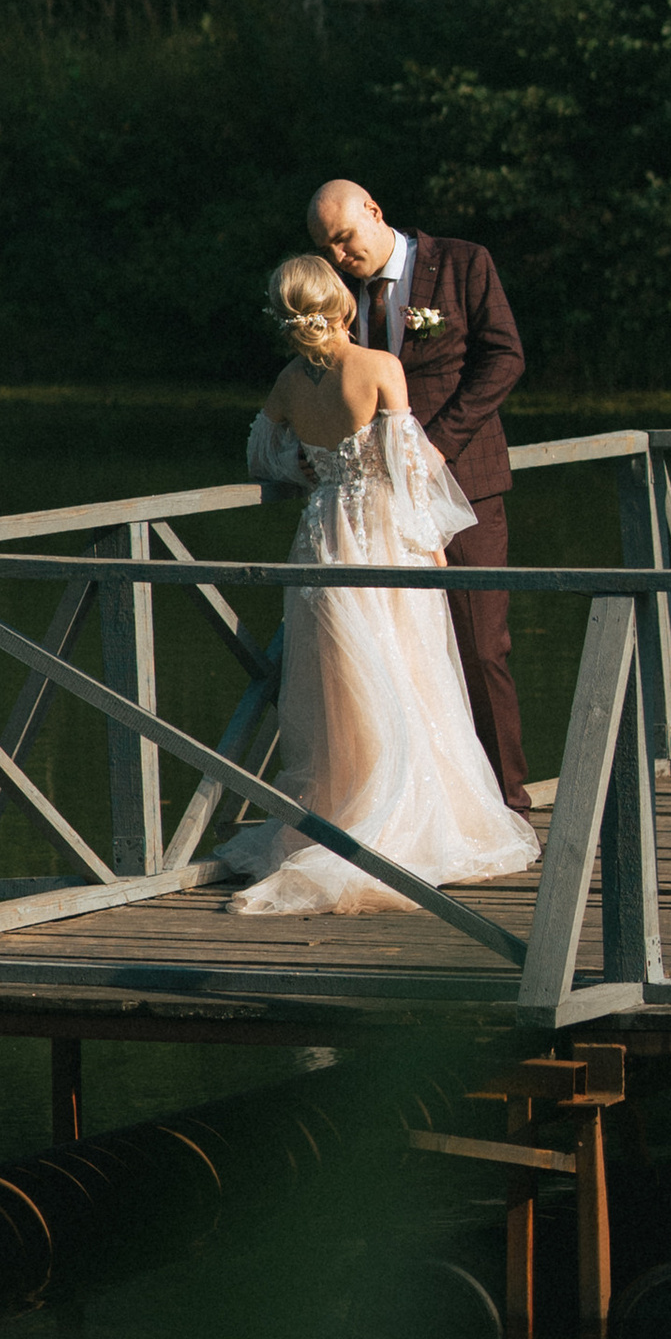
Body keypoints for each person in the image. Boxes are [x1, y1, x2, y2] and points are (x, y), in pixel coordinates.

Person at [216, 253, 541, 918]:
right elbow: (406, 469)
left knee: (340, 688)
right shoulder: (380, 367)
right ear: (341, 303)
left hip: (322, 540)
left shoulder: (287, 382)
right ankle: (405, 820)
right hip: (384, 536)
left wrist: (308, 469)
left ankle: (343, 814)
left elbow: (260, 454)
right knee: (407, 669)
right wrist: (431, 541)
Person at [306, 178, 532, 815]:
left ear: (375, 212)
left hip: (464, 485)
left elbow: (505, 358)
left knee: (480, 646)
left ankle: (508, 803)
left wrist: (437, 447)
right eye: (326, 248)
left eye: (344, 238)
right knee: (389, 655)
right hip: (376, 506)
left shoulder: (462, 262)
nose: (338, 255)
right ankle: (425, 807)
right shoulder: (335, 292)